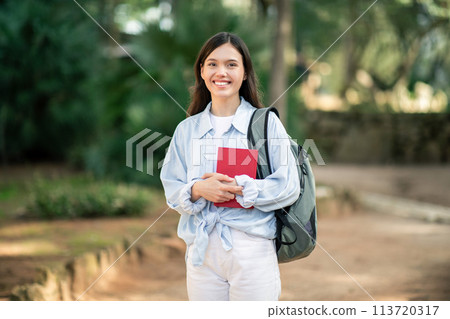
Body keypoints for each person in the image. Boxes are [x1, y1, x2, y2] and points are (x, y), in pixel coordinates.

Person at [160, 32, 299, 301]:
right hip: (202, 255)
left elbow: (288, 185)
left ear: (245, 72)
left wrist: (239, 188)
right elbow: (172, 188)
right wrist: (198, 189)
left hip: (252, 251)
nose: (221, 72)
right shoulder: (186, 130)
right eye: (212, 64)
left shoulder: (265, 124)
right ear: (201, 71)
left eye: (231, 64)